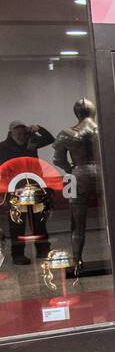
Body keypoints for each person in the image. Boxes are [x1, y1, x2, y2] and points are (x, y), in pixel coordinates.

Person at [53, 99, 99, 271]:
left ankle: (77, 261)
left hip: (77, 176)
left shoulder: (67, 133)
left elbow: (58, 159)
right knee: (113, 217)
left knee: (77, 222)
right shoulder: (102, 130)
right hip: (103, 174)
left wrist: (71, 169)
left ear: (77, 113)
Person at [0, 120, 54, 263]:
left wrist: (38, 128)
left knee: (39, 221)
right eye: (18, 132)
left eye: (23, 132)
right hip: (15, 190)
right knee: (17, 223)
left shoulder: (32, 141)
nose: (21, 135)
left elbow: (50, 139)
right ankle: (18, 255)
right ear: (11, 133)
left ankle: (43, 250)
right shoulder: (2, 147)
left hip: (34, 187)